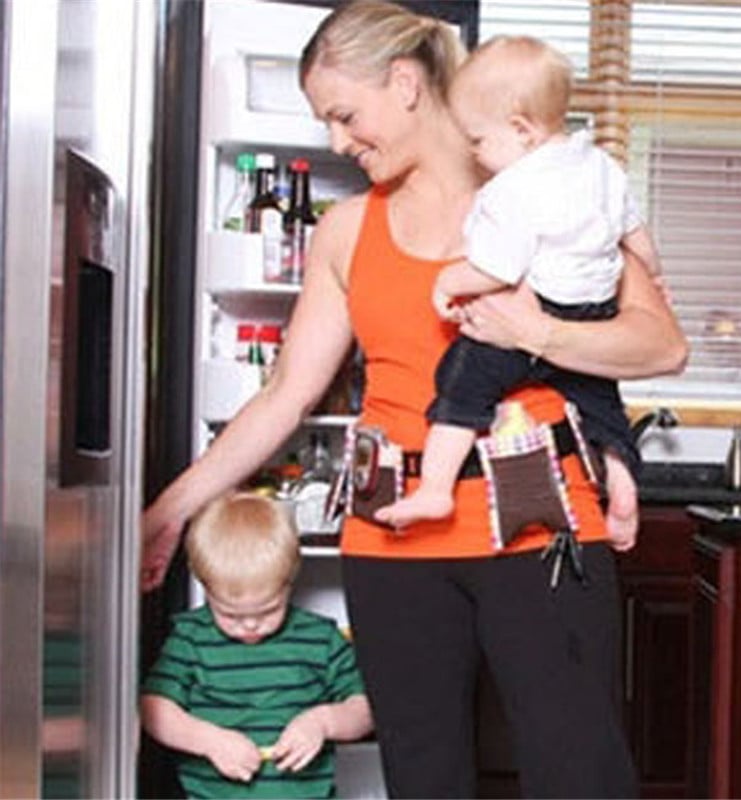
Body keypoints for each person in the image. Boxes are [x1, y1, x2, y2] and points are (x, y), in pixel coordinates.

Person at [141, 1, 688, 797]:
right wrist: (170, 510)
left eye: (344, 115)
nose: (338, 141)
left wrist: (536, 331)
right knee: (423, 775)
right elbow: (285, 395)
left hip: (537, 523)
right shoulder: (345, 230)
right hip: (390, 534)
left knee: (580, 772)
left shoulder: (545, 192)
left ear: (404, 83)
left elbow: (661, 345)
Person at [374, 35, 661, 547]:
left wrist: (448, 280)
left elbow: (498, 268)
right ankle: (620, 478)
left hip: (537, 308)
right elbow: (636, 235)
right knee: (601, 405)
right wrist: (654, 276)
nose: (475, 154)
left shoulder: (512, 189)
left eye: (479, 141)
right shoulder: (602, 166)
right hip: (593, 312)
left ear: (522, 130)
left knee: (461, 383)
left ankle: (435, 488)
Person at [140, 492, 372, 799]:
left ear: (288, 583)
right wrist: (209, 741)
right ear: (205, 587)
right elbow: (154, 709)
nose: (250, 625)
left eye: (268, 611)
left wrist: (323, 722)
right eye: (230, 615)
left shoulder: (320, 638)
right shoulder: (191, 638)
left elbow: (365, 708)